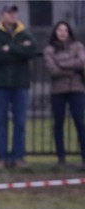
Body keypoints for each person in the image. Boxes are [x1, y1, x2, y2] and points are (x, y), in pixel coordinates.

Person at [0, 3, 36, 169]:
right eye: (8, 13)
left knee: (20, 122)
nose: (12, 15)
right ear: (2, 15)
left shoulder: (25, 33)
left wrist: (9, 49)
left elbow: (31, 51)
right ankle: (1, 156)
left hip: (20, 83)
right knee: (0, 122)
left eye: (14, 13)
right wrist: (18, 51)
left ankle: (18, 157)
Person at [43, 20, 85, 169]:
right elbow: (52, 70)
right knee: (58, 123)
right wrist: (72, 67)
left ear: (69, 32)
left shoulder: (78, 46)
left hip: (76, 88)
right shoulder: (49, 49)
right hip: (58, 90)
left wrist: (62, 64)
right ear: (55, 32)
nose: (62, 33)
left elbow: (82, 62)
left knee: (80, 122)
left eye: (65, 30)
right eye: (60, 30)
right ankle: (61, 157)